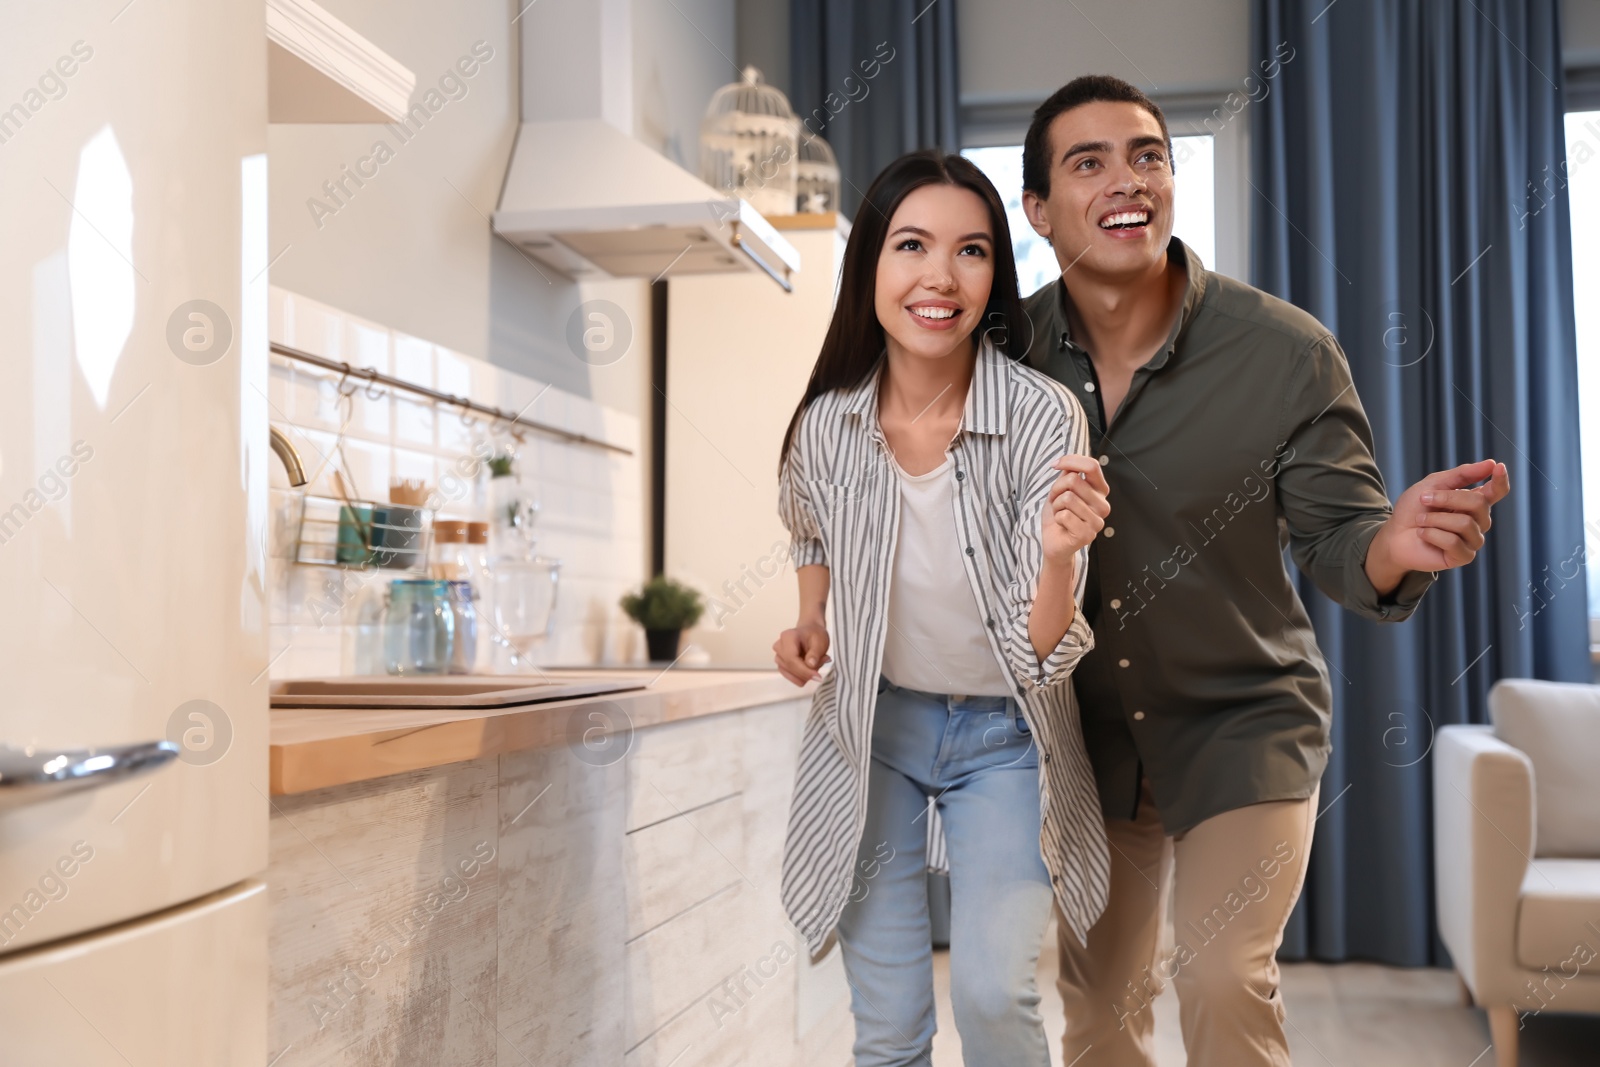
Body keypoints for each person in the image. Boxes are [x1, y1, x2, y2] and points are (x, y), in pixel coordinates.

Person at [1016, 75, 1511, 1066]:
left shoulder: (1282, 352)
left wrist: (1395, 541)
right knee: (1097, 1008)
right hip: (1080, 738)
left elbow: (1341, 542)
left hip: (1243, 717)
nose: (1128, 178)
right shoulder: (1002, 352)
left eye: (1147, 154)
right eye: (1089, 161)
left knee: (1218, 973)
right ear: (1036, 208)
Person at [770, 149, 1113, 1066]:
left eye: (970, 251)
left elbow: (1043, 649)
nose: (939, 276)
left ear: (995, 275)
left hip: (1006, 740)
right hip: (875, 733)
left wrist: (1055, 557)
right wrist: (813, 618)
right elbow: (808, 523)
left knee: (994, 995)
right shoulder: (827, 425)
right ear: (870, 268)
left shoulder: (1043, 417)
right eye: (910, 245)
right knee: (887, 1027)